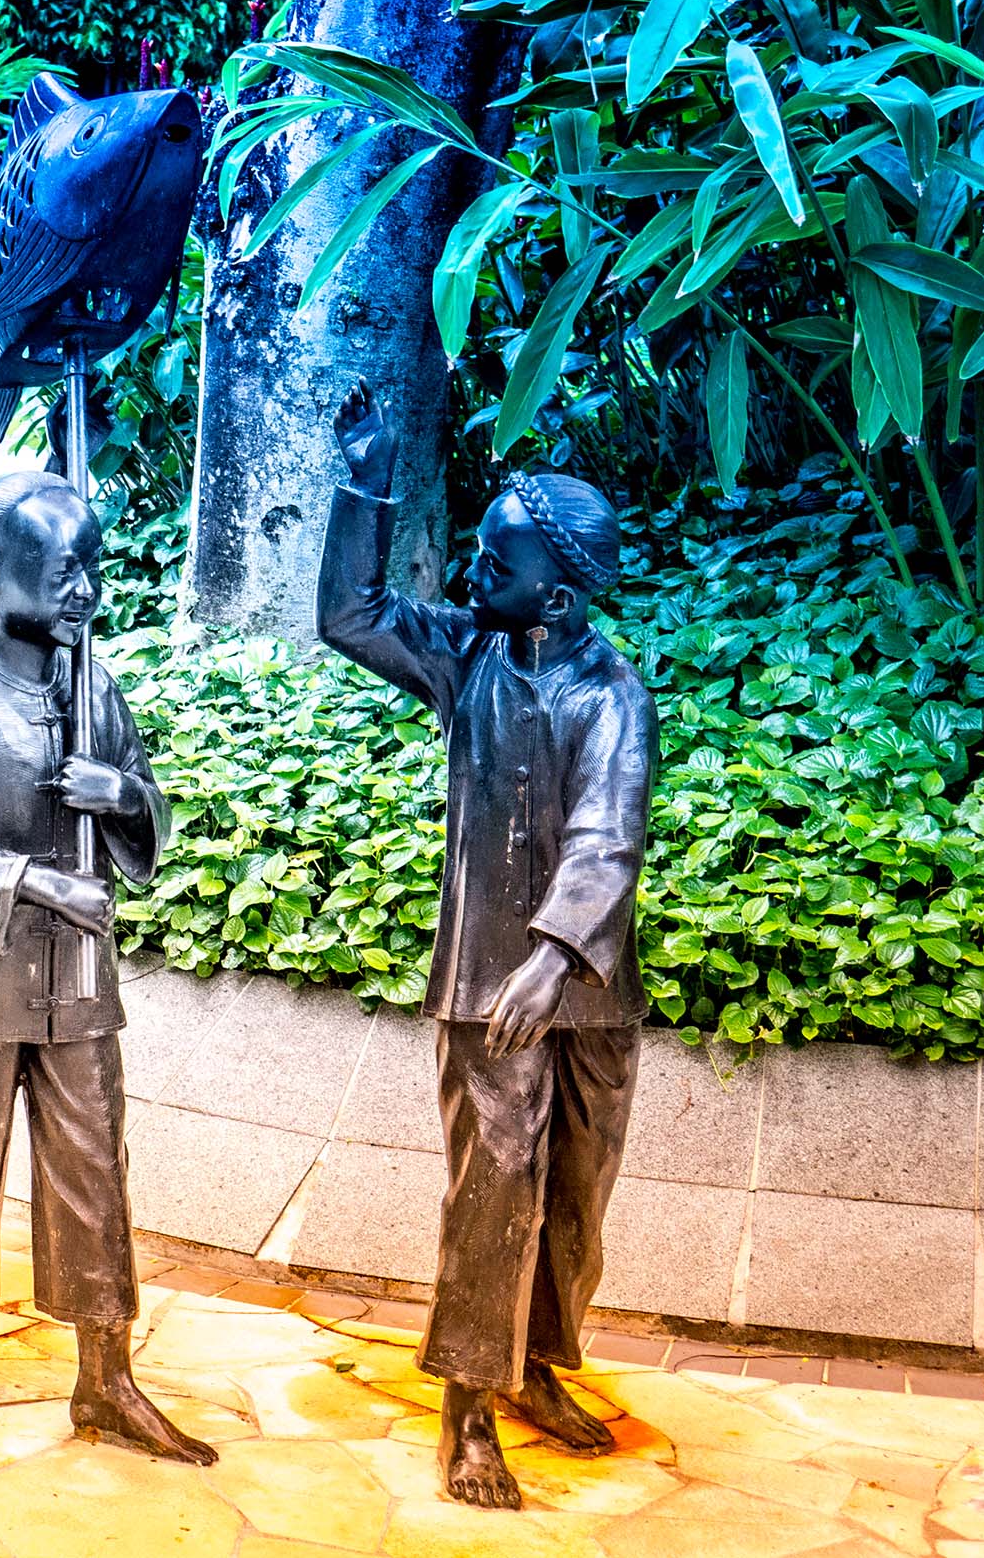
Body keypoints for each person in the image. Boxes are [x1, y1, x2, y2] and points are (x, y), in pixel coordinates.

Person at [316, 380, 657, 1511]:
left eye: (492, 561)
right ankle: (468, 1404)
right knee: (493, 1189)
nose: (469, 570)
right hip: (483, 984)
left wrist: (556, 956)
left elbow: (608, 837)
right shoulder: (463, 654)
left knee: (574, 1198)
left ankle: (535, 1367)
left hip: (586, 989)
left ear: (554, 594)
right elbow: (350, 614)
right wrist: (366, 480)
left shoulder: (613, 695)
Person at [0, 469, 215, 1467]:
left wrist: (122, 794)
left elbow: (146, 817)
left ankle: (105, 1373)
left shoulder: (92, 688)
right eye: (64, 570)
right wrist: (44, 885)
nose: (87, 591)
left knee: (93, 1168)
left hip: (75, 982)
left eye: (93, 569)